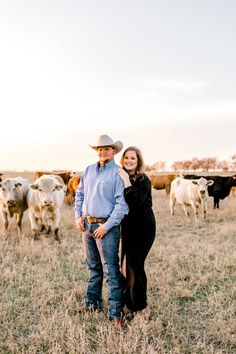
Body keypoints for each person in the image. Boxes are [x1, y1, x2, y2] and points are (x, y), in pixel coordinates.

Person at [74, 134, 129, 329]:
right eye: (100, 149)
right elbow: (79, 194)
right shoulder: (88, 170)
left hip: (107, 227)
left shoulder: (119, 173)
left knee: (111, 270)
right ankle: (92, 304)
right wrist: (78, 216)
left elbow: (122, 205)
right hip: (87, 225)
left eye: (107, 148)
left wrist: (106, 227)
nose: (103, 151)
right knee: (93, 267)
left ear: (114, 151)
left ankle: (116, 313)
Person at [118, 146, 156, 320]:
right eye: (126, 158)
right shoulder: (122, 176)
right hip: (128, 227)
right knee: (125, 268)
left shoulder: (143, 179)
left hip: (143, 227)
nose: (129, 161)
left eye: (132, 158)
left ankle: (141, 308)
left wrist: (126, 181)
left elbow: (135, 202)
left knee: (135, 266)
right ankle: (131, 304)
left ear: (138, 161)